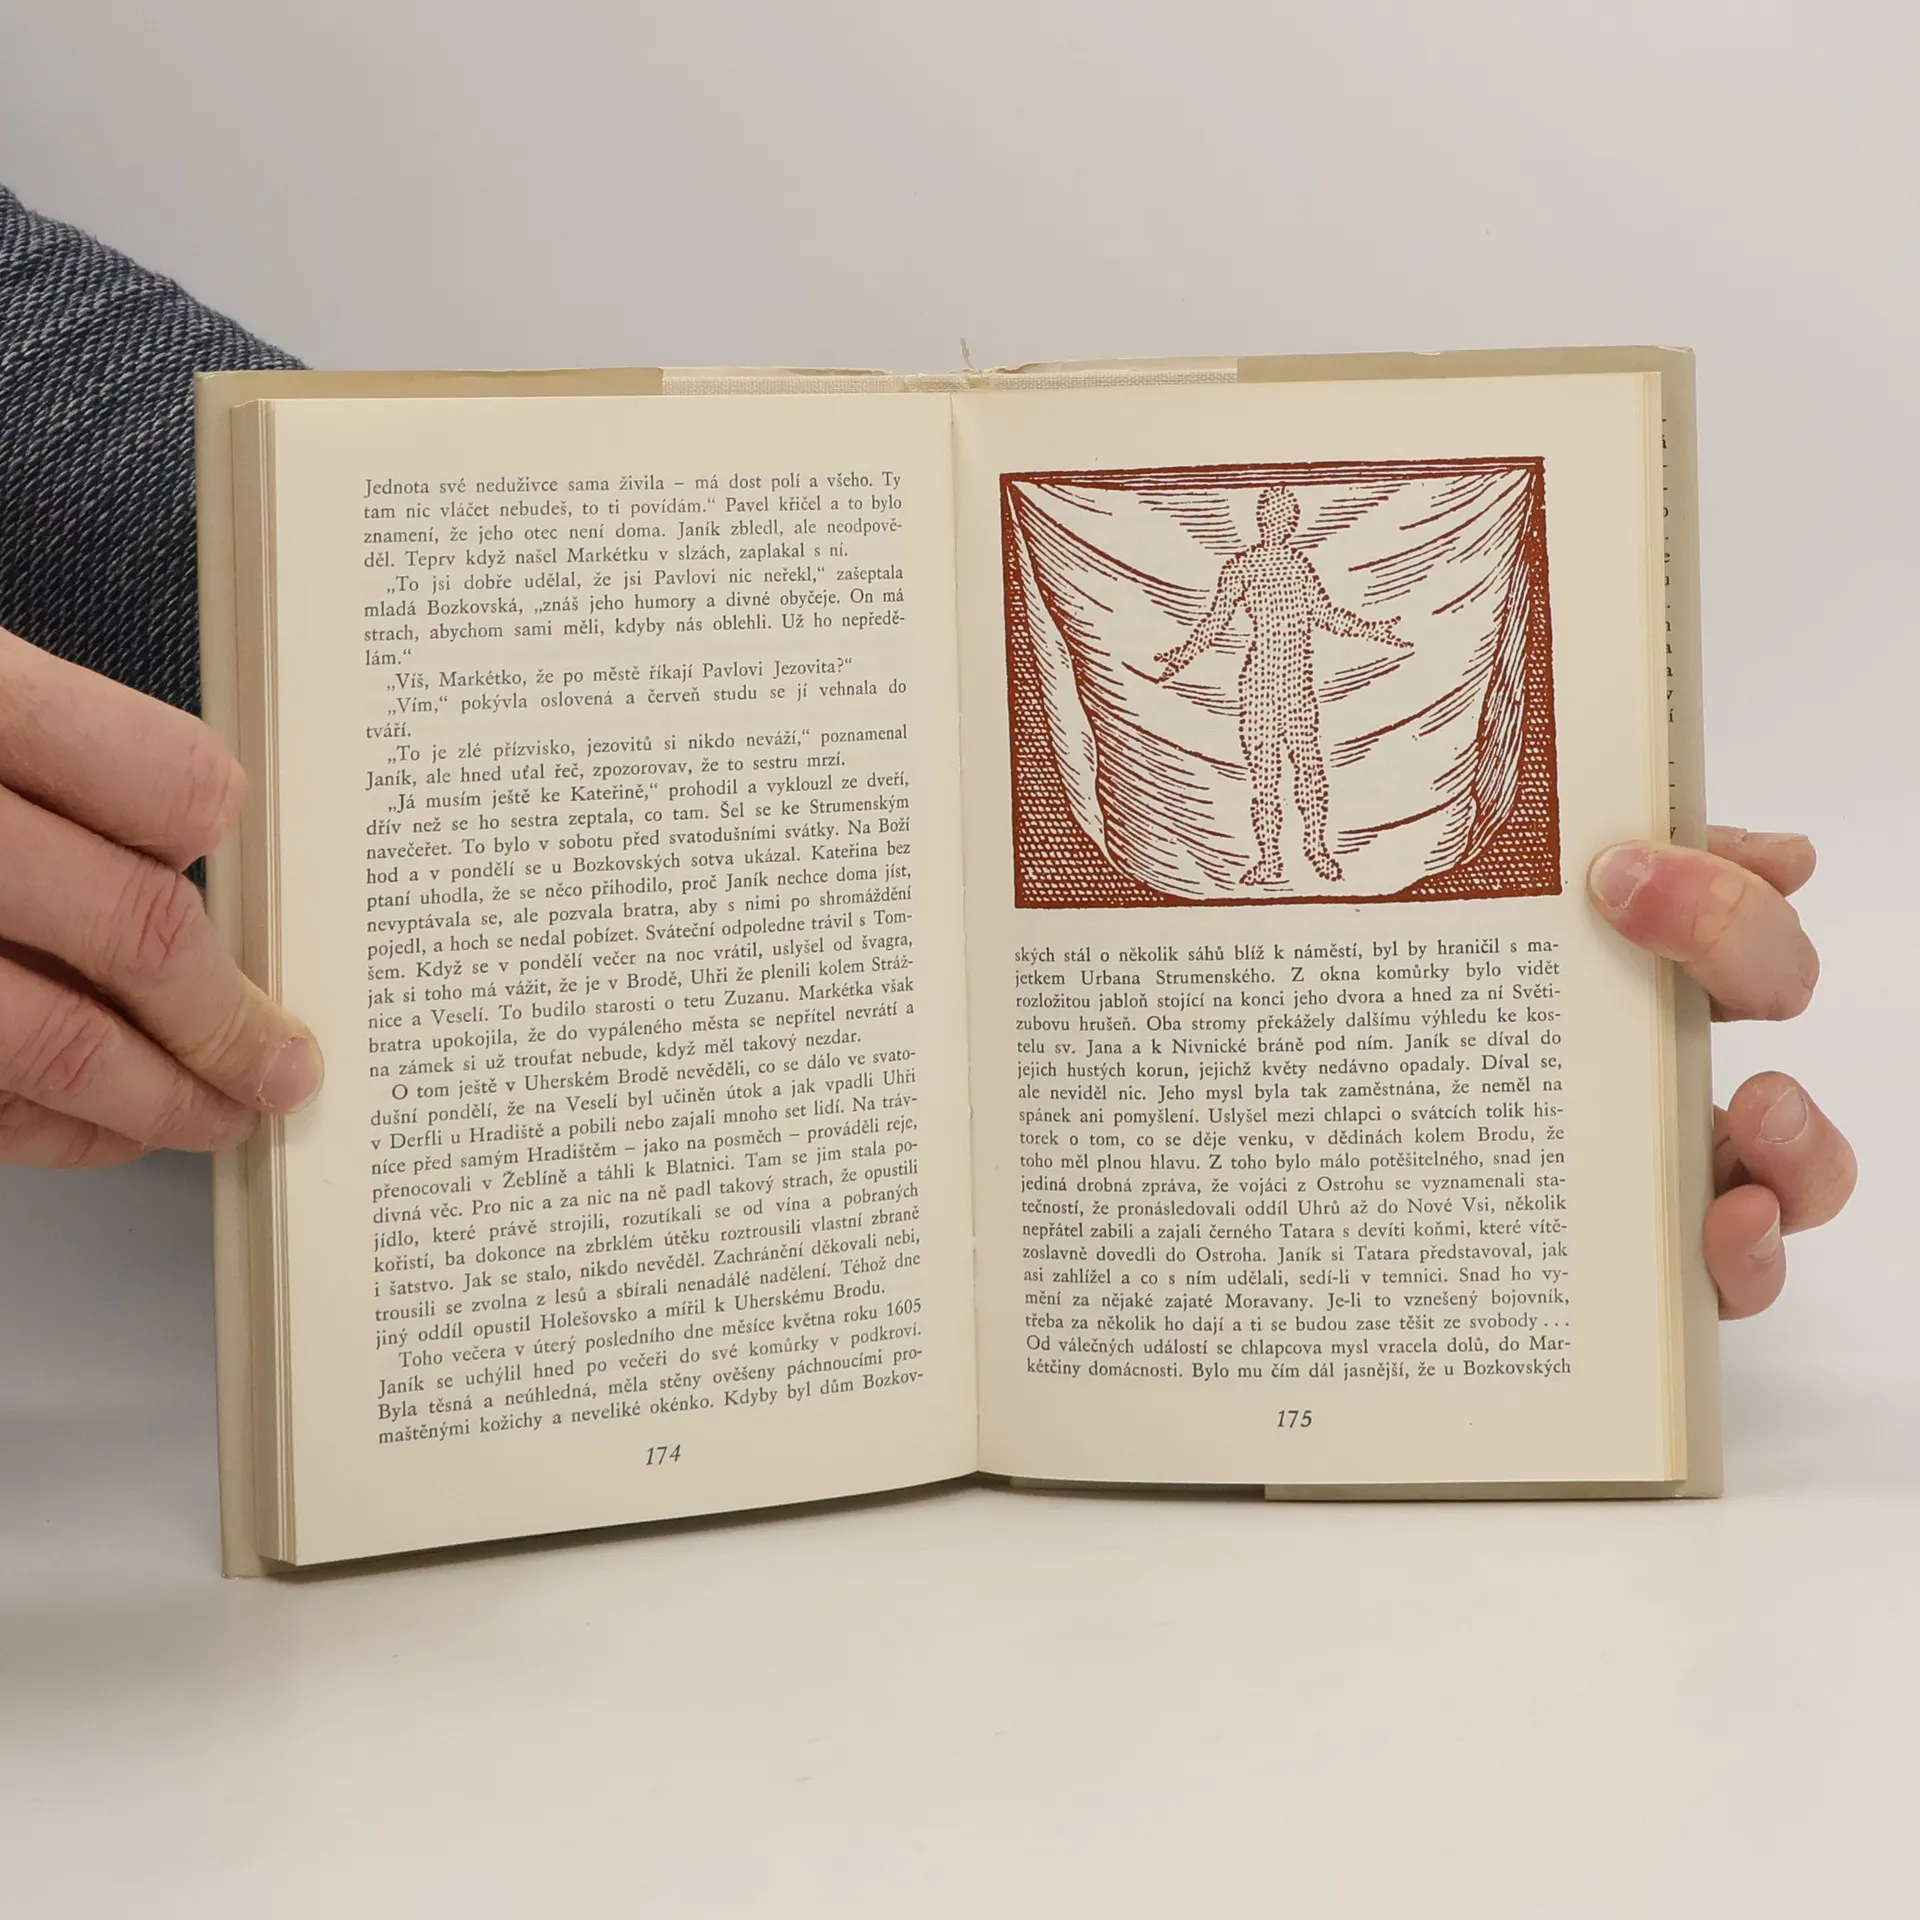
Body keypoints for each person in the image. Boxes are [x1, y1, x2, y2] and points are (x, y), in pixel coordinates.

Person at [0, 184, 1854, 1319]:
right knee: (1274, 789)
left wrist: (1414, 1051)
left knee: (1295, 813)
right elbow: (1199, 637)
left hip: (1285, 739)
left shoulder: (1291, 579)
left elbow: (70, 417)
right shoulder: (1256, 584)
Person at [1156, 482, 1409, 885]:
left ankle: (1316, 849)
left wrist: (1373, 630)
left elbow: (1326, 614)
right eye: (1275, 515)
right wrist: (1183, 655)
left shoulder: (1298, 566)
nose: (1280, 522)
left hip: (1295, 683)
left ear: (1292, 522)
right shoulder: (1242, 567)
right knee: (1265, 776)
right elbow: (1215, 621)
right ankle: (1271, 858)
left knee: (1309, 768)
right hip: (1260, 683)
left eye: (1286, 516)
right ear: (1264, 520)